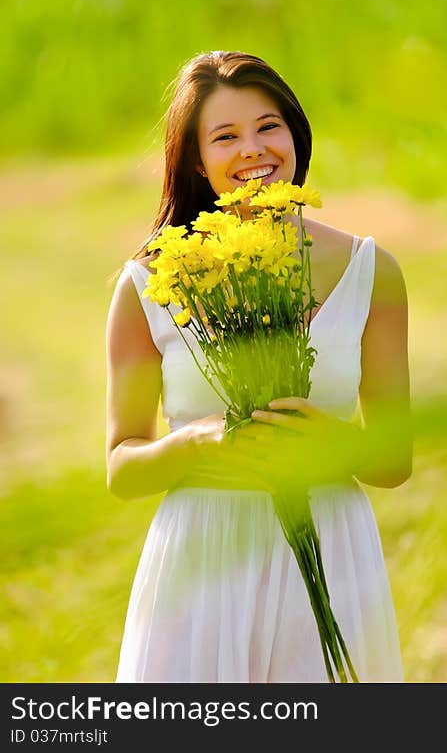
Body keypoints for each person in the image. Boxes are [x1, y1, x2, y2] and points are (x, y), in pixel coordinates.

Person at [105, 50, 412, 682]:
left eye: (268, 127)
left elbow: (393, 461)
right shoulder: (149, 282)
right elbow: (121, 464)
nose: (253, 150)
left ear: (295, 135)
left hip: (332, 548)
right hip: (203, 555)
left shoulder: (371, 272)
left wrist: (334, 444)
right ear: (196, 160)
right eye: (225, 136)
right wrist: (194, 444)